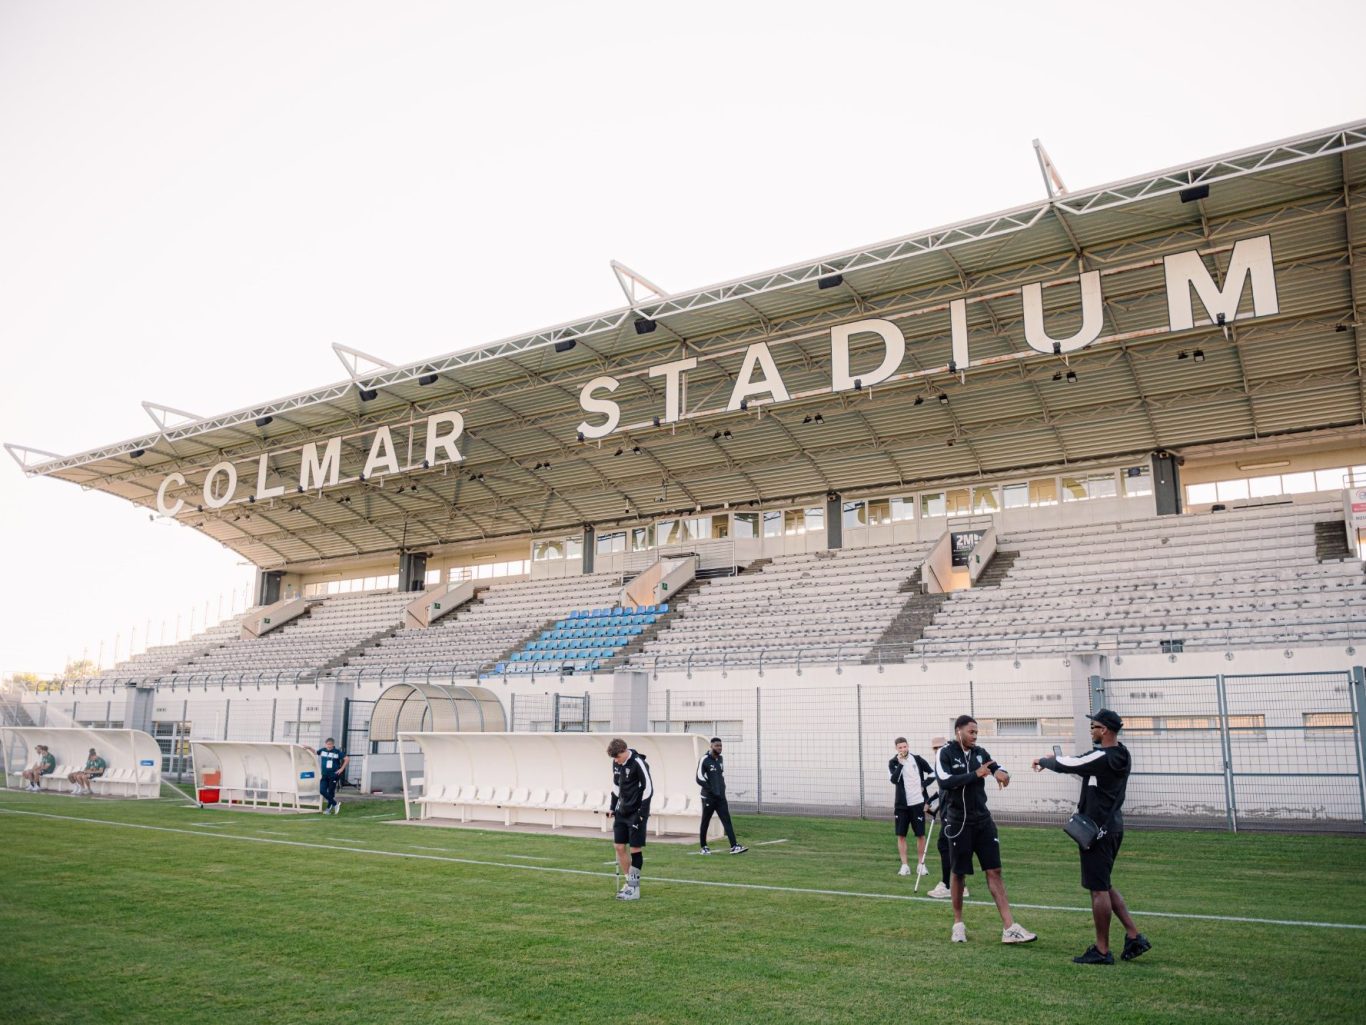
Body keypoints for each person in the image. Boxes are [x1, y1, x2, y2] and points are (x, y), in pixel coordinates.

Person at [1033, 709, 1151, 965]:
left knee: (1098, 890)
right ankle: (1133, 936)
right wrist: (1059, 760)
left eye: (1093, 726)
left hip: (1097, 830)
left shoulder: (1103, 756)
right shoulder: (1122, 754)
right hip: (1113, 827)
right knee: (1104, 884)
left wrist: (1045, 761)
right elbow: (1083, 766)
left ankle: (1102, 950)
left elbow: (1072, 764)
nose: (1091, 730)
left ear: (1104, 730)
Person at [936, 714, 1035, 944]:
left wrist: (1004, 775)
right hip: (958, 823)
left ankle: (1009, 928)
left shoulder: (980, 753)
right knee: (958, 873)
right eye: (971, 732)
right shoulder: (945, 753)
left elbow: (997, 767)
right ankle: (958, 924)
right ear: (958, 731)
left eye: (977, 733)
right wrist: (975, 774)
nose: (975, 736)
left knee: (994, 870)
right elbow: (944, 781)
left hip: (983, 821)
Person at [607, 737, 653, 900]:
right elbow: (616, 786)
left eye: (617, 757)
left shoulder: (638, 762)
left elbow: (648, 789)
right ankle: (629, 883)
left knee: (635, 849)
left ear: (624, 751)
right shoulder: (616, 763)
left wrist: (642, 813)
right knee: (619, 847)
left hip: (636, 813)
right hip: (622, 811)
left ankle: (634, 890)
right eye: (614, 758)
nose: (616, 761)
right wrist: (612, 807)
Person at [923, 736, 967, 900]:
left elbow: (950, 788)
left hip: (953, 814)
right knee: (950, 848)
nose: (937, 751)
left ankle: (948, 885)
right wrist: (932, 802)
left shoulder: (949, 761)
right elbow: (942, 790)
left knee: (946, 846)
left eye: (940, 747)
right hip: (948, 812)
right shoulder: (941, 763)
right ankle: (959, 886)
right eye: (935, 748)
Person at [889, 737, 933, 877]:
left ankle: (921, 865)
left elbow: (933, 773)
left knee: (920, 834)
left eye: (904, 747)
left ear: (908, 746)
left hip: (918, 803)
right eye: (900, 748)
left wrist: (923, 785)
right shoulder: (893, 762)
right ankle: (905, 866)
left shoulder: (917, 759)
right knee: (901, 835)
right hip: (902, 805)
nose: (903, 749)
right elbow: (894, 780)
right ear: (896, 749)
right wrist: (901, 764)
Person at [696, 737, 747, 855]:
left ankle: (734, 846)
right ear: (711, 746)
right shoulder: (704, 759)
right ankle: (704, 847)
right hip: (708, 797)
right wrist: (711, 790)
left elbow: (720, 776)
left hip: (721, 797)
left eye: (720, 746)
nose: (719, 748)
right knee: (705, 821)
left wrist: (721, 789)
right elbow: (699, 778)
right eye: (717, 745)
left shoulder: (720, 759)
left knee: (727, 820)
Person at [316, 738, 349, 815]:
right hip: (324, 775)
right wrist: (309, 747)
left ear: (333, 744)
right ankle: (335, 804)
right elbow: (315, 752)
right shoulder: (322, 750)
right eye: (327, 744)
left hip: (334, 775)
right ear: (325, 744)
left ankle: (328, 809)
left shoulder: (337, 752)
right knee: (322, 791)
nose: (329, 746)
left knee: (331, 792)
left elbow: (347, 759)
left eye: (330, 744)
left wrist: (341, 769)